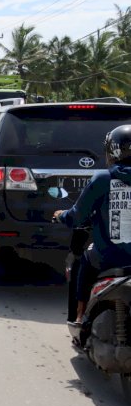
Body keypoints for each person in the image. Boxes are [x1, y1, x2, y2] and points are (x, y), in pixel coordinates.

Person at [53, 124, 131, 323]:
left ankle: (80, 317)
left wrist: (61, 215)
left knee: (84, 260)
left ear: (112, 151)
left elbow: (77, 216)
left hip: (109, 257)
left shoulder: (103, 179)